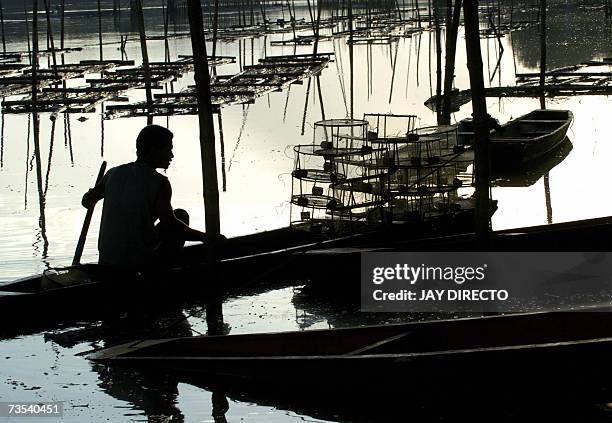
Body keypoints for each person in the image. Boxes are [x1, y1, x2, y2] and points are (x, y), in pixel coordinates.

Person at [82, 124, 208, 268]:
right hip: (138, 264)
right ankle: (164, 274)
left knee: (177, 216)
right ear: (154, 150)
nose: (171, 155)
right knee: (181, 216)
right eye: (168, 149)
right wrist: (204, 237)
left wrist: (89, 195)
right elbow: (170, 224)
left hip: (107, 260)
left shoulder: (112, 173)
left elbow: (87, 201)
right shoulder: (160, 182)